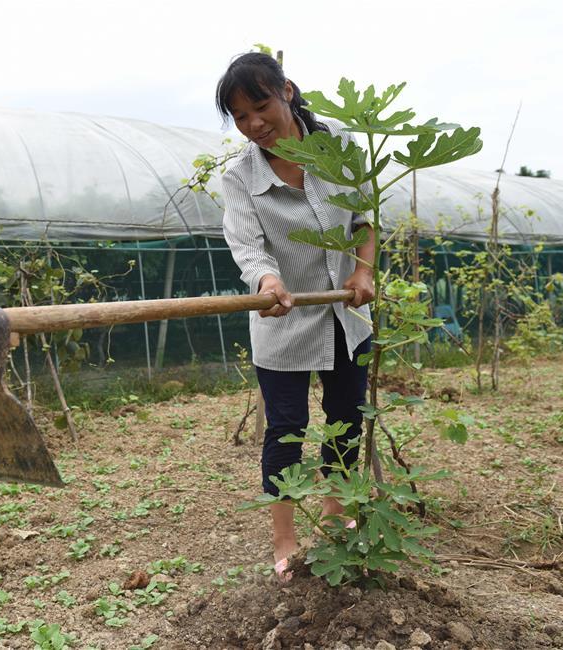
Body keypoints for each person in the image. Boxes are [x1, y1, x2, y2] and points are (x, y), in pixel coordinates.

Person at [216, 52, 376, 581]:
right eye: (240, 117)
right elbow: (247, 243)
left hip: (346, 316)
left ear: (287, 91)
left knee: (344, 422)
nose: (253, 124)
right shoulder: (240, 176)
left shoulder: (342, 149)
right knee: (285, 429)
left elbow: (363, 218)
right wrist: (267, 280)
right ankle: (283, 538)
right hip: (281, 318)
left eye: (260, 106)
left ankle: (335, 518)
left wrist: (363, 272)